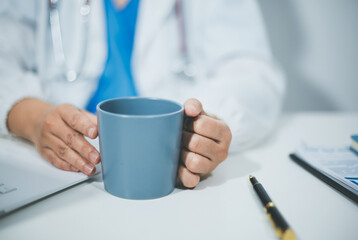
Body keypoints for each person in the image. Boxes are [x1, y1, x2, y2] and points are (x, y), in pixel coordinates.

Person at [0, 0, 285, 188]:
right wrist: (31, 117)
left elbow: (253, 74)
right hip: (65, 176)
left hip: (172, 184)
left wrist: (204, 131)